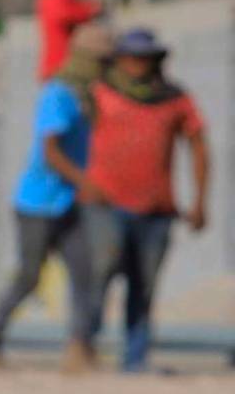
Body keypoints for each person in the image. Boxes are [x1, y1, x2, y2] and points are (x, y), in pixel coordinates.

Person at [0, 25, 112, 371]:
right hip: (38, 203)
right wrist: (85, 181)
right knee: (29, 276)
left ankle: (80, 349)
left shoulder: (84, 96)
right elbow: (50, 150)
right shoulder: (59, 94)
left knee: (85, 273)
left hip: (67, 203)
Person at [82, 27, 209, 372]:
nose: (137, 64)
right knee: (100, 272)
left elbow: (198, 146)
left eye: (144, 57)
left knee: (145, 284)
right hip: (105, 203)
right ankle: (83, 346)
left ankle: (134, 357)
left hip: (156, 208)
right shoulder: (99, 93)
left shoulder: (175, 98)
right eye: (131, 57)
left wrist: (199, 201)